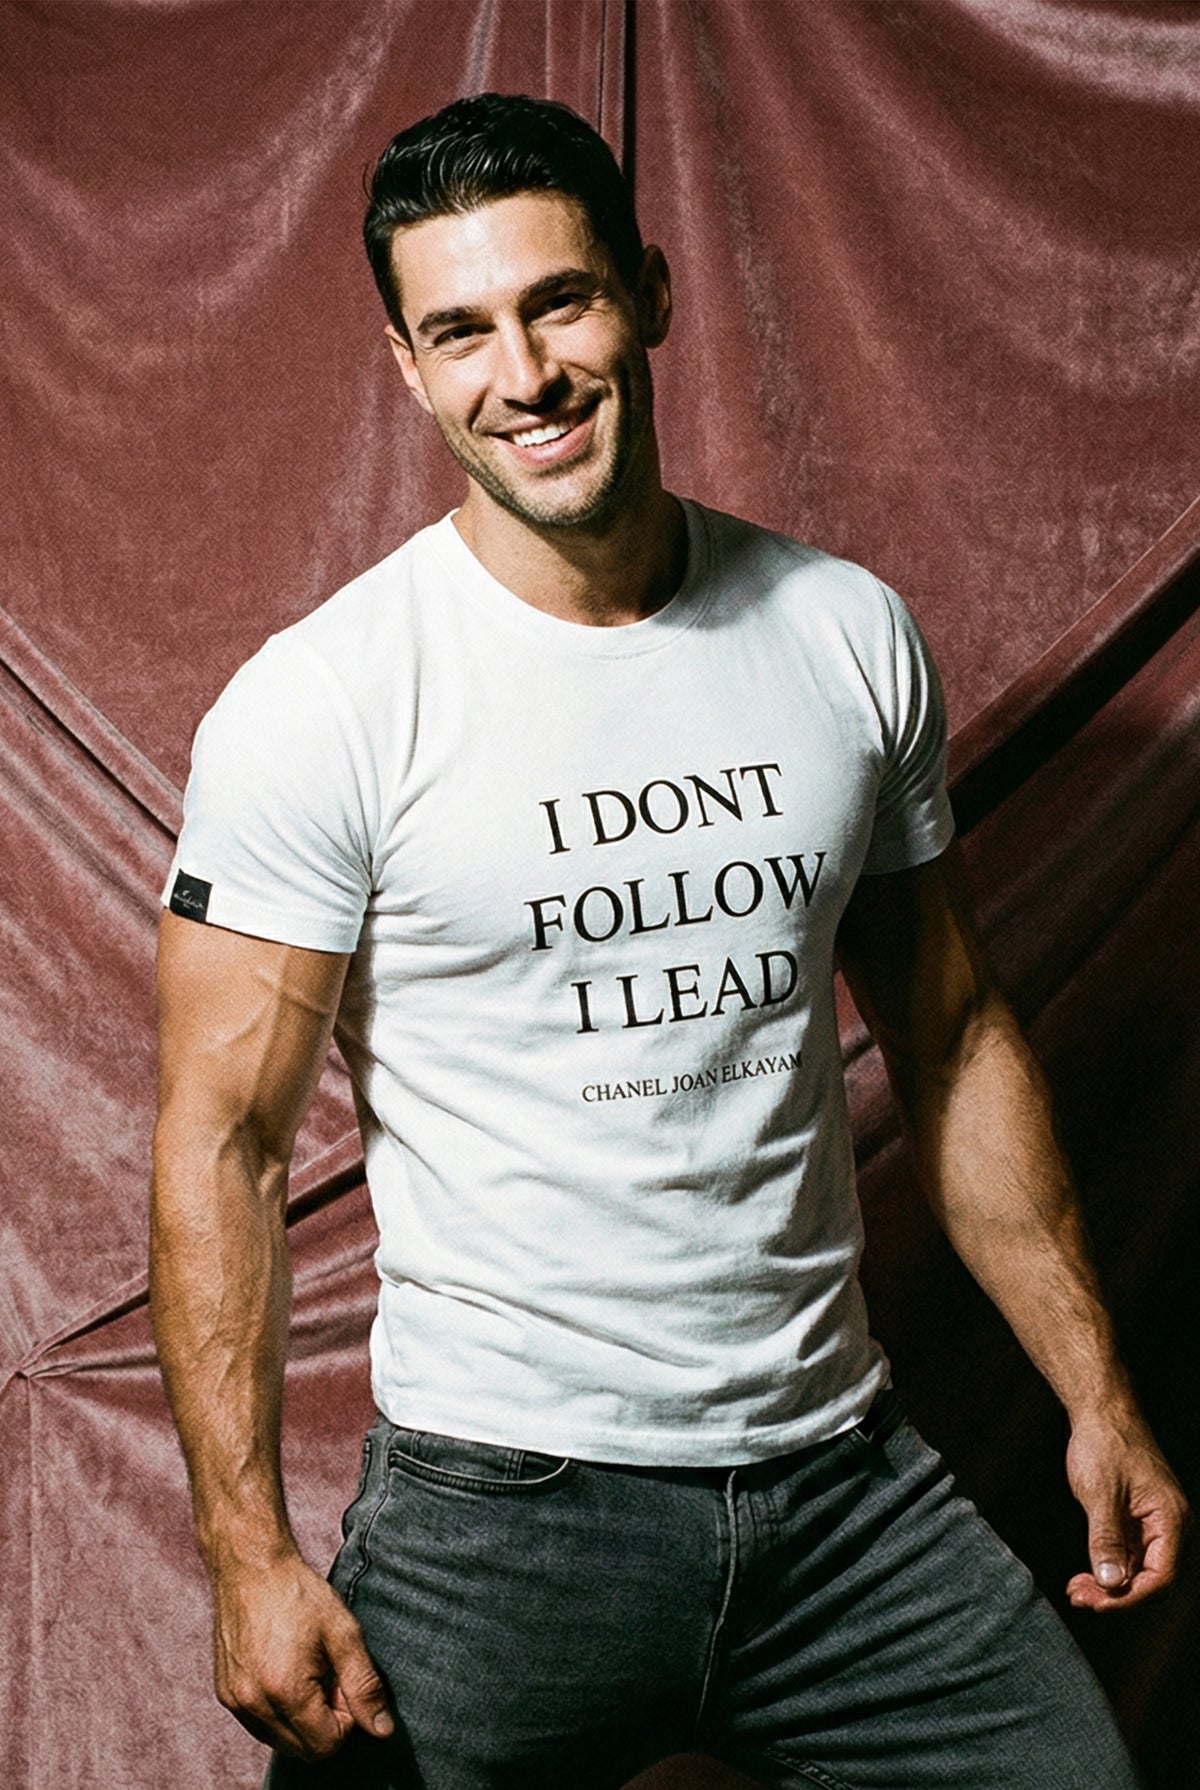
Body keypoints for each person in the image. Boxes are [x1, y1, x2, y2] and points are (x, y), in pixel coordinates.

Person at [151, 93, 1187, 1790]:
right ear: (409, 367)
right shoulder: (322, 706)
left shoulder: (844, 636)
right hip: (502, 1514)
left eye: (560, 302)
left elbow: (951, 1035)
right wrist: (245, 1549)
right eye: (462, 332)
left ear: (649, 291)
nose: (525, 374)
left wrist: (1097, 1389)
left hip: (842, 1492)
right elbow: (223, 1139)